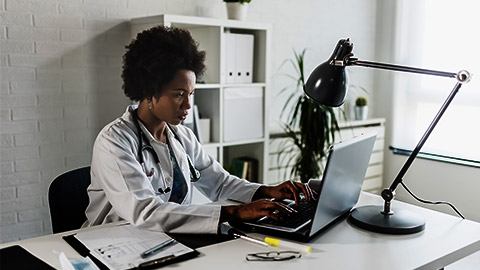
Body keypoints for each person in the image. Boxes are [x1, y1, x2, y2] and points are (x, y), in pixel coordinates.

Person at [83, 26, 315, 234]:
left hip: (162, 238)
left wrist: (267, 191)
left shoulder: (181, 137)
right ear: (149, 90)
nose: (188, 106)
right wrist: (235, 213)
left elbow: (220, 183)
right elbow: (146, 212)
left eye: (190, 94)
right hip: (112, 241)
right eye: (179, 94)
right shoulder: (115, 141)